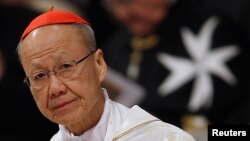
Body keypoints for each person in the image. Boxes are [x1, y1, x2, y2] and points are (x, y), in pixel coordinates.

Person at [16, 8, 196, 141]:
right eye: (39, 76)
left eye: (65, 66)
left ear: (99, 64)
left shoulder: (161, 137)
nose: (55, 88)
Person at [102, 0, 250, 130]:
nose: (121, 14)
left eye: (127, 2)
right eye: (112, 6)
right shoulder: (118, 46)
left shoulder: (216, 25)